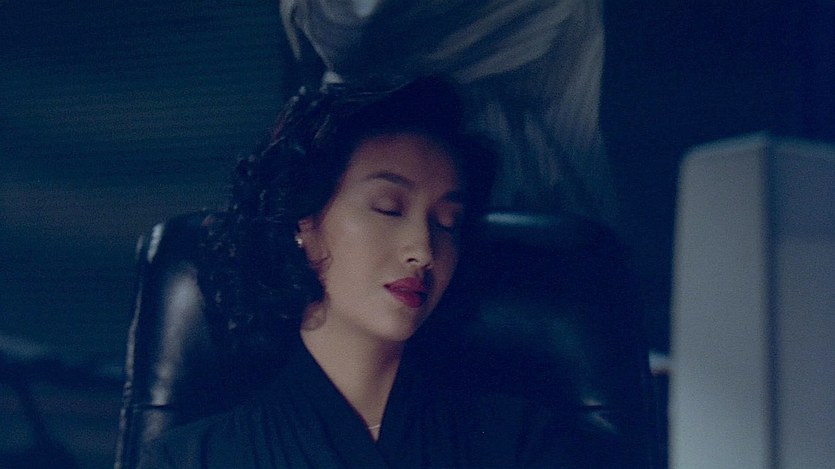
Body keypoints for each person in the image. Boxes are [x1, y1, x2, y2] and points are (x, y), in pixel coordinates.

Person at [136, 77, 599, 468]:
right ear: (304, 222)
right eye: (388, 208)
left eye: (447, 223)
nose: (423, 251)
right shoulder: (193, 460)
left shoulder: (522, 442)